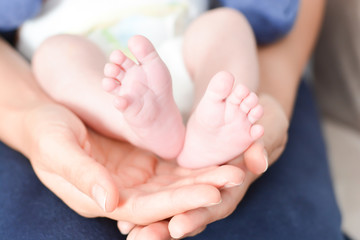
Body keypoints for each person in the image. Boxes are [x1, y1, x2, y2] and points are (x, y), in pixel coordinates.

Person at [0, 0, 344, 239]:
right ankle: (138, 126)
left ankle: (207, 126)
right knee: (55, 55)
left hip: (179, 56)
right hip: (97, 72)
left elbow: (271, 14)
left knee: (227, 26)